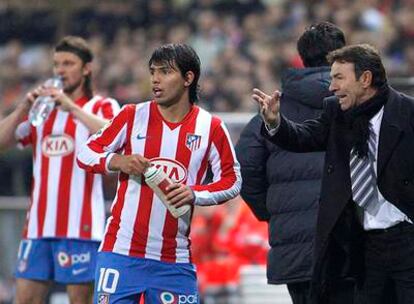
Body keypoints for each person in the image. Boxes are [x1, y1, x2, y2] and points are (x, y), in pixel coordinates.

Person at [77, 43, 241, 304]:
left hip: (174, 259)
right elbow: (85, 153)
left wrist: (194, 193)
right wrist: (117, 161)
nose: (155, 78)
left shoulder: (211, 127)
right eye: (153, 71)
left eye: (165, 72)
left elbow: (232, 180)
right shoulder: (131, 116)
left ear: (188, 78)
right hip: (120, 252)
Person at [254, 43, 414, 304]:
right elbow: (304, 137)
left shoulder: (408, 113)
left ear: (365, 79)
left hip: (408, 239)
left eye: (339, 78)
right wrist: (274, 123)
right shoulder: (335, 112)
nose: (332, 87)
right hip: (365, 246)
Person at [236, 22, 345, 304]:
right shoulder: (358, 108)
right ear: (343, 56)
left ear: (302, 58)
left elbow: (245, 171)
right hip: (349, 248)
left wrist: (276, 211)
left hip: (296, 252)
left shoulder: (268, 115)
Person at [9, 36, 120, 304]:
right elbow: (3, 141)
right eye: (57, 64)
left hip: (80, 227)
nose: (60, 70)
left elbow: (116, 135)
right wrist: (23, 107)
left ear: (86, 69)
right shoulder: (41, 111)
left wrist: (70, 108)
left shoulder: (101, 106)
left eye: (68, 63)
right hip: (37, 226)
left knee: (79, 301)